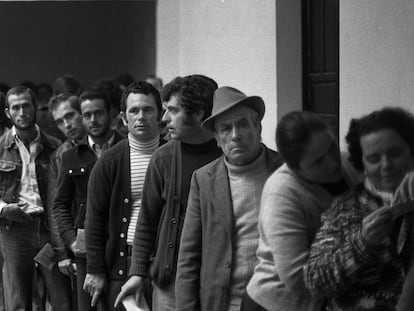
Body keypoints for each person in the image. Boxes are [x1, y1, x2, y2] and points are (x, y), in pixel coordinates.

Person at [114, 75, 222, 310]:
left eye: (172, 111)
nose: (163, 119)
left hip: (216, 283)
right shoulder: (163, 157)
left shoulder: (227, 157)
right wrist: (138, 273)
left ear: (199, 112)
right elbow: (147, 221)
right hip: (169, 283)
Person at [174, 86, 283, 311]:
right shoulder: (204, 180)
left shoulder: (285, 169)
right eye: (226, 128)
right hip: (225, 303)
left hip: (278, 301)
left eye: (243, 124)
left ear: (258, 127)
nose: (235, 135)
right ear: (216, 138)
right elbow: (188, 258)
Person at [244, 111, 360, 311]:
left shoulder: (347, 163)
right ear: (295, 168)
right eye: (318, 161)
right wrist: (362, 249)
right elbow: (298, 279)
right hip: (277, 304)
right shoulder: (281, 194)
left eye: (332, 147)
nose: (333, 162)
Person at [304, 107, 414, 310]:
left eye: (396, 153)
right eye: (373, 159)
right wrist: (362, 243)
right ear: (361, 164)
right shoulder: (346, 209)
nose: (386, 165)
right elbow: (315, 280)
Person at [83, 81, 165, 310]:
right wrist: (95, 269)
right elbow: (94, 220)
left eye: (148, 110)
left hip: (164, 262)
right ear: (123, 117)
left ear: (161, 114)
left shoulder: (173, 155)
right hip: (123, 262)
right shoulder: (109, 162)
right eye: (134, 110)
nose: (141, 116)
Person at [53, 90, 124, 310]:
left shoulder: (128, 149)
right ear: (82, 118)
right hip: (86, 245)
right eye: (87, 115)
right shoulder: (71, 156)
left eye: (98, 113)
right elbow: (60, 204)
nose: (93, 120)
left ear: (110, 113)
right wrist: (70, 240)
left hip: (121, 244)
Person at [0, 86, 61, 310]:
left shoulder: (54, 146)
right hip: (15, 229)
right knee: (17, 300)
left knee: (58, 297)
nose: (22, 112)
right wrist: (3, 208)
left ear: (35, 107)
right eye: (16, 107)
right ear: (8, 113)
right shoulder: (0, 147)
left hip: (49, 229)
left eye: (26, 105)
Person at [46, 93, 87, 306]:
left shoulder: (109, 143)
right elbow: (56, 206)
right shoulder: (60, 156)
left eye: (70, 116)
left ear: (81, 112)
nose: (66, 124)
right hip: (76, 237)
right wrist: (62, 251)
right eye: (60, 121)